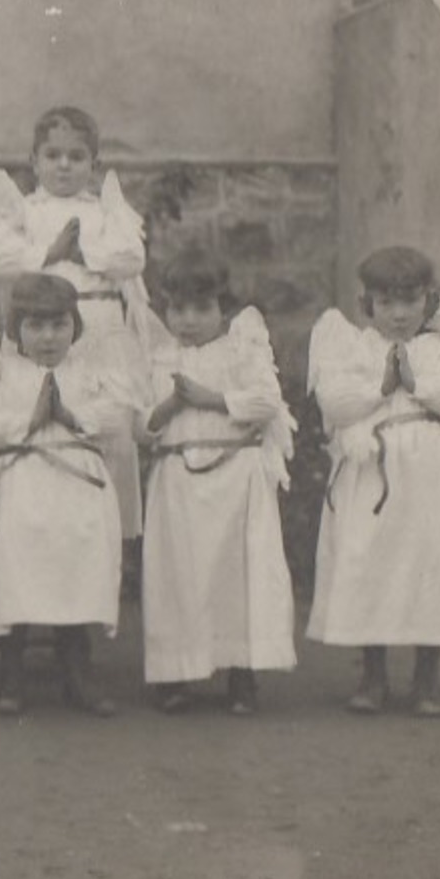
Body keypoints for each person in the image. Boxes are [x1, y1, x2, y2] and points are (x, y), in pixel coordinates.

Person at [307, 246, 440, 717]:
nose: (397, 314)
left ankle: (426, 680)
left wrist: (417, 385)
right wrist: (381, 388)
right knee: (371, 561)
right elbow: (335, 402)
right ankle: (373, 676)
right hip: (374, 473)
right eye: (386, 302)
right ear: (367, 302)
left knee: (430, 565)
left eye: (409, 302)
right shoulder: (354, 349)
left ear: (427, 301)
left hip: (435, 475)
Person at [0, 107, 151, 565]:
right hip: (42, 332)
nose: (63, 166)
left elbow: (130, 256)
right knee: (36, 425)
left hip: (99, 327)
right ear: (34, 161)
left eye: (76, 157)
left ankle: (102, 554)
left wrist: (83, 251)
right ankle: (28, 545)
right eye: (52, 155)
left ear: (93, 165)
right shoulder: (24, 211)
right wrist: (49, 251)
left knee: (102, 427)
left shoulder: (105, 212)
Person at [140, 248, 296, 714]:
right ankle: (177, 673)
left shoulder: (241, 349)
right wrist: (169, 406)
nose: (188, 321)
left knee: (236, 576)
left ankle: (241, 674)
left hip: (234, 478)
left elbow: (266, 401)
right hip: (178, 480)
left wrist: (211, 399)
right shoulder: (157, 358)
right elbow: (139, 425)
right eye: (178, 309)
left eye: (201, 309)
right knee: (179, 576)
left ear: (221, 309)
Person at [0, 273, 132, 717]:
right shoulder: (2, 372)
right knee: (19, 562)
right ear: (15, 329)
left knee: (78, 563)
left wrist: (70, 415)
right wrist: (32, 418)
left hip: (77, 482)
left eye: (58, 325)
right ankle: (11, 668)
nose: (47, 338)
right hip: (22, 477)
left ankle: (76, 668)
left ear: (75, 326)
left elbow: (117, 414)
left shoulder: (89, 369)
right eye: (35, 326)